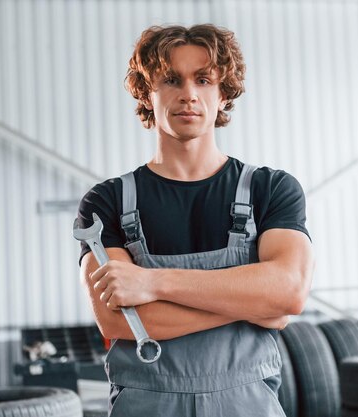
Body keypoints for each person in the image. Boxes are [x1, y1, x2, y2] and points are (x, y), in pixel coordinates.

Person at [77, 24, 314, 416]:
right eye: (171, 79)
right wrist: (254, 303)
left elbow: (288, 292)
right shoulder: (107, 202)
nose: (188, 93)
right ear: (146, 93)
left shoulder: (270, 190)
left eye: (203, 79)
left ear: (223, 95)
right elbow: (118, 322)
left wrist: (151, 282)